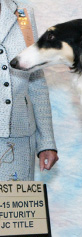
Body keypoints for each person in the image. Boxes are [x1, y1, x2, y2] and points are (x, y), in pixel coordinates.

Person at [0, 0, 58, 181]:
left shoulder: (22, 13)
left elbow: (36, 80)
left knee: (15, 208)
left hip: (19, 140)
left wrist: (46, 142)